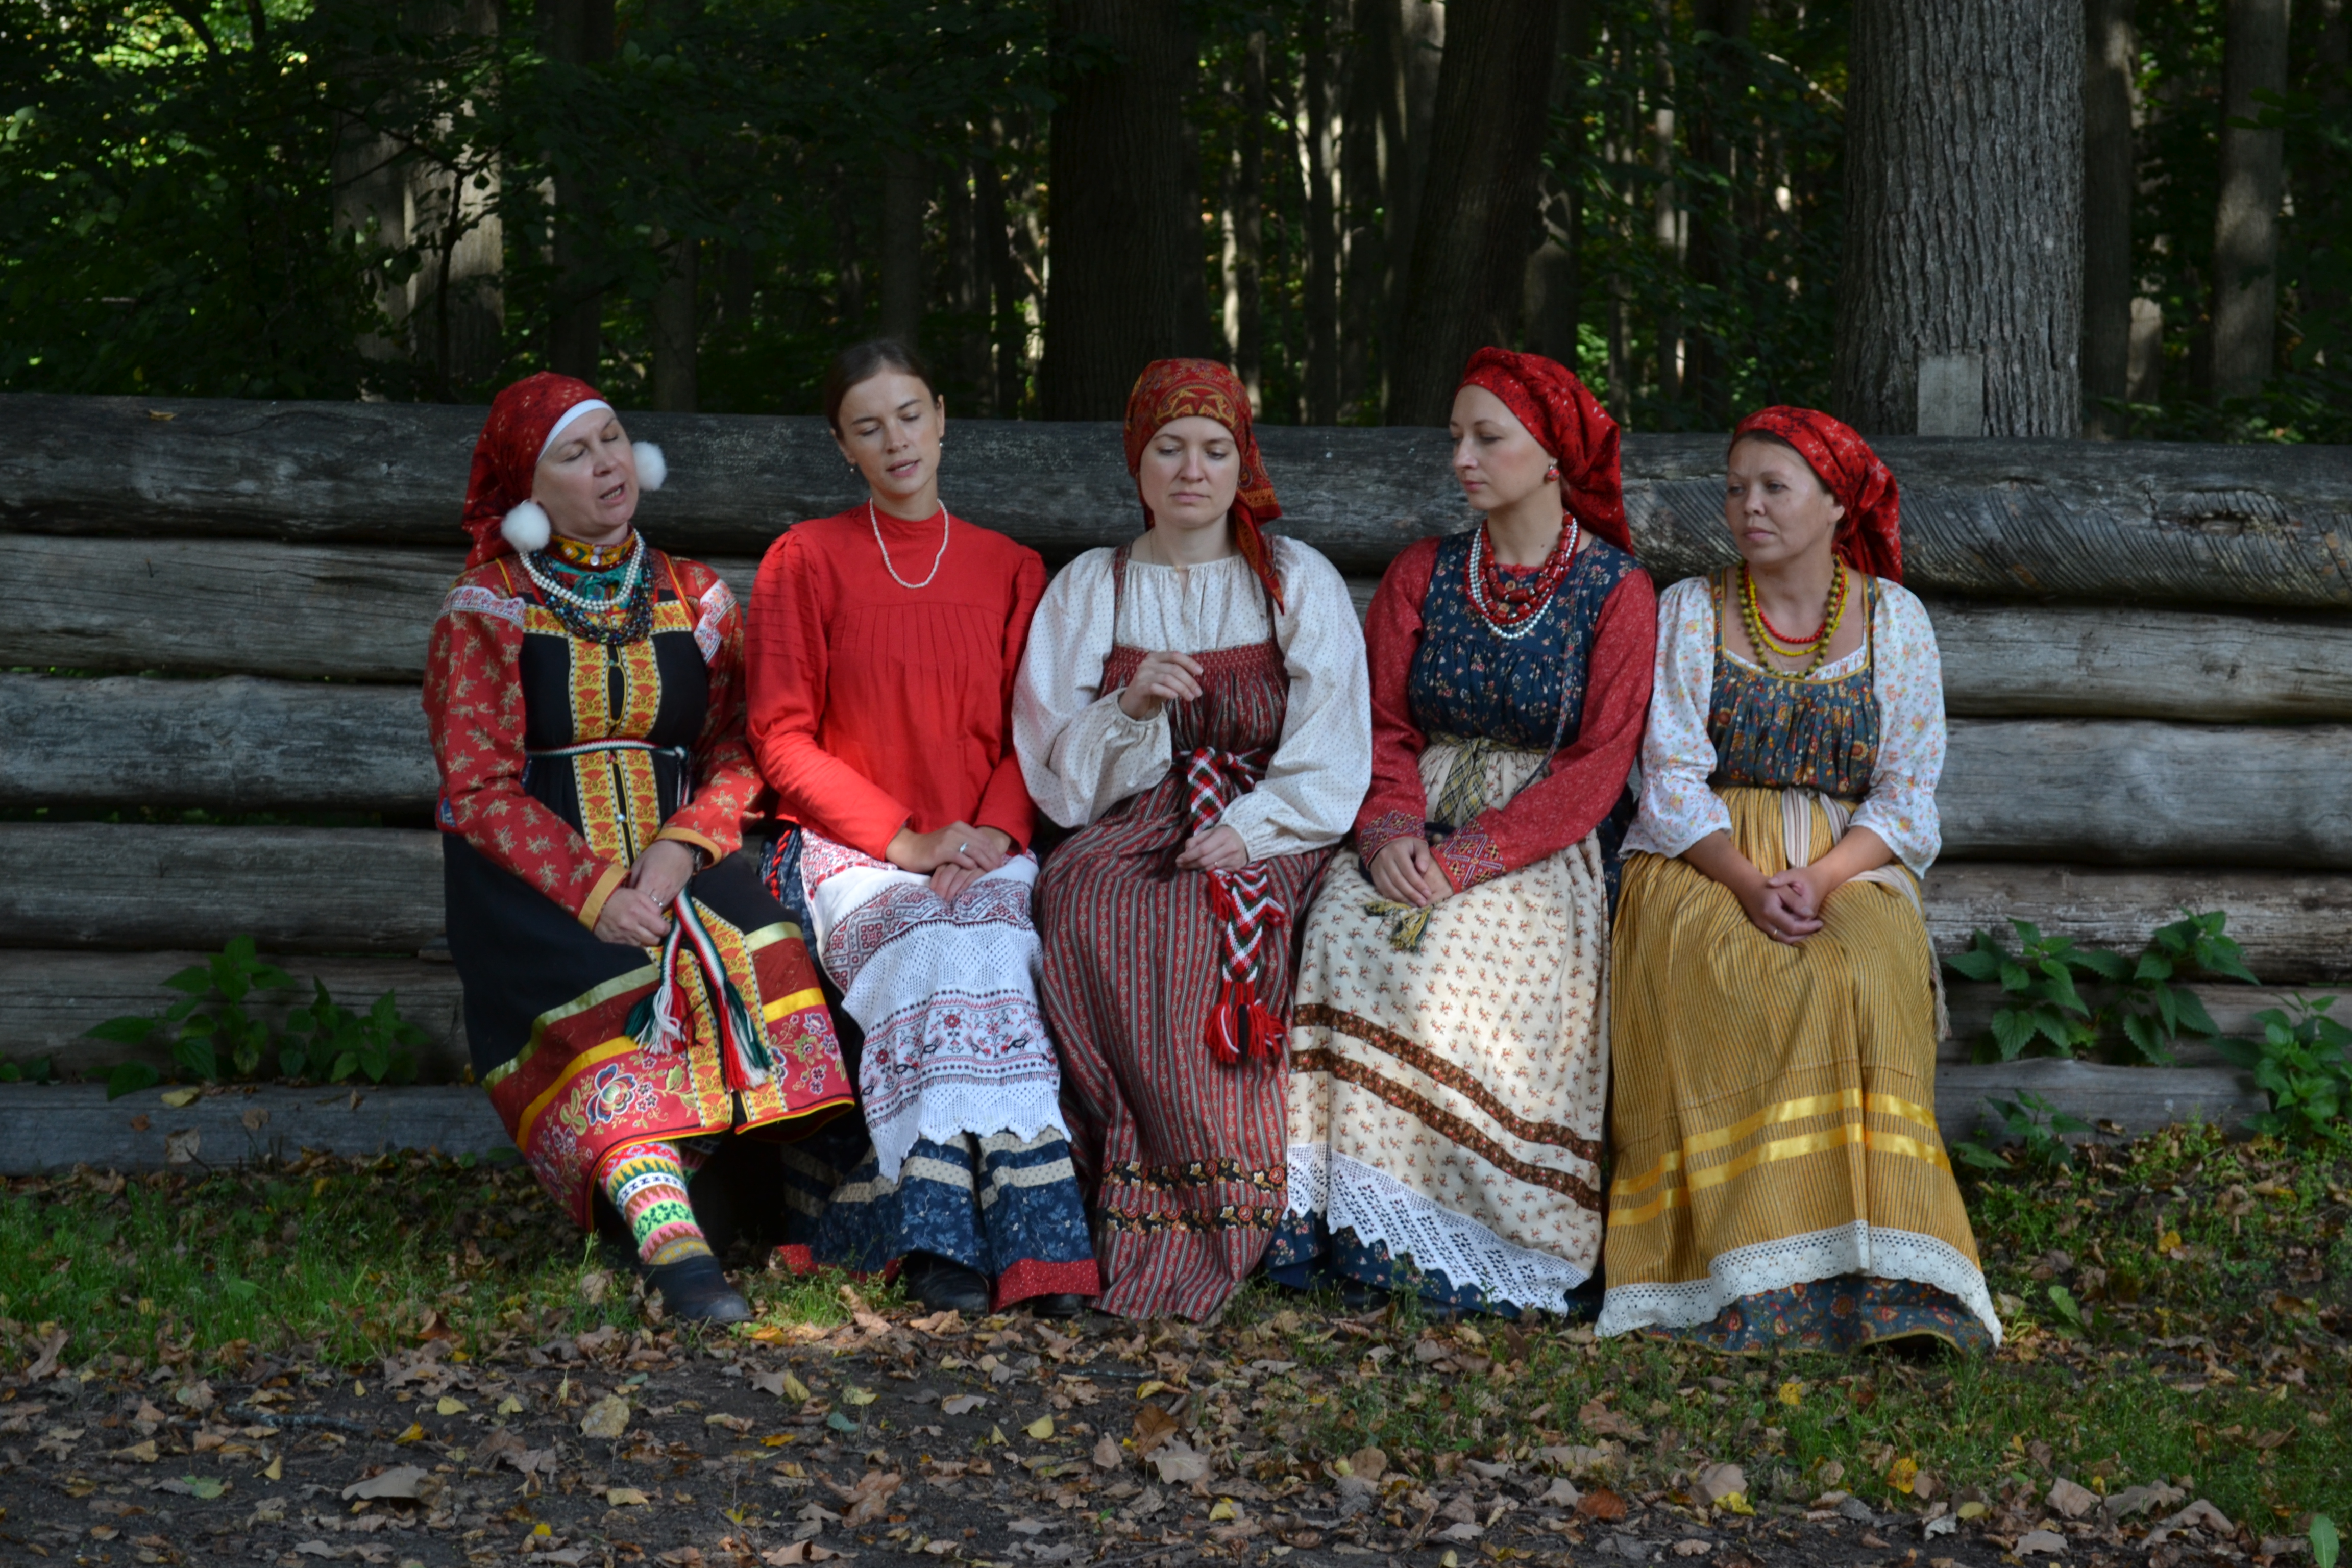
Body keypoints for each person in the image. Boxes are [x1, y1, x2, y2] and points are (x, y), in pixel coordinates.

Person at [426, 372, 854, 1325]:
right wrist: (599, 893)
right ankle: (677, 1251)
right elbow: (477, 789)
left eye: (613, 439)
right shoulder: (486, 607)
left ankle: (808, 1204)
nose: (605, 464)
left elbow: (740, 748)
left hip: (681, 859)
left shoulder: (694, 594)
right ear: (530, 491)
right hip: (538, 882)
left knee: (771, 951)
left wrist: (676, 855)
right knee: (610, 1003)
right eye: (574, 455)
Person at [1601, 406, 1999, 1352]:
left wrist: (1820, 878)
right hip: (1701, 850)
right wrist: (1744, 879)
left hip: (1847, 854)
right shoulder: (1691, 609)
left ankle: (1876, 1273)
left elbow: (1907, 793)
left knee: (1852, 975)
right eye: (1736, 487)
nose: (1748, 506)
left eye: (1774, 487)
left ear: (1835, 502)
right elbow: (1667, 775)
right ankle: (1732, 1270)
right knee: (1726, 968)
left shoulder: (1893, 621)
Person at [1270, 349, 1656, 1318]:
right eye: (1457, 438)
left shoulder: (1618, 592)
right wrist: (1389, 832)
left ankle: (1489, 1238)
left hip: (1539, 835)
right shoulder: (1424, 574)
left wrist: (1469, 858)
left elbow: (1599, 764)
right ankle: (1348, 1227)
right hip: (1414, 807)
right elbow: (1383, 723)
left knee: (1470, 954)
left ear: (1554, 453)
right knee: (1344, 933)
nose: (1464, 459)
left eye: (1489, 438)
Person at [744, 339, 1095, 1318]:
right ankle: (968, 1245)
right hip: (853, 852)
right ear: (842, 448)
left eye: (908, 416)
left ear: (941, 418)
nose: (895, 441)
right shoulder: (805, 561)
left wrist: (985, 834)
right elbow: (778, 736)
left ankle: (1022, 1248)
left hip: (986, 842)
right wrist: (903, 842)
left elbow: (1040, 729)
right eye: (868, 428)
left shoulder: (1011, 568)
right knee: (938, 943)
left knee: (986, 940)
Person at [1014, 359, 1371, 1322]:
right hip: (1135, 817)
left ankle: (1219, 1200)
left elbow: (1334, 747)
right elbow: (1053, 767)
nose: (1191, 470)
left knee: (1192, 932)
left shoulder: (1292, 580)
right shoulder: (1096, 585)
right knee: (1083, 900)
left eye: (1215, 450)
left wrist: (1252, 833)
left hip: (1274, 815)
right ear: (1138, 464)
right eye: (1168, 448)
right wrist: (1129, 708)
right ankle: (1120, 1190)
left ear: (1241, 460)